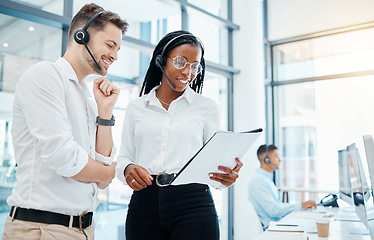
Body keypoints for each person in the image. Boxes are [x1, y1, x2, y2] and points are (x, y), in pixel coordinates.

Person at [2, 4, 128, 240]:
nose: (115, 55)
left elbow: (100, 170)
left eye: (118, 48)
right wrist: (111, 172)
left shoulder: (87, 98)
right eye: (110, 45)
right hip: (41, 228)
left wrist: (105, 113)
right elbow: (65, 157)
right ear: (81, 35)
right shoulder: (45, 75)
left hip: (82, 228)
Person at [115, 30, 243, 240]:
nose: (188, 72)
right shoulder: (136, 107)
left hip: (193, 203)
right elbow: (124, 157)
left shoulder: (207, 108)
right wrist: (128, 168)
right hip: (144, 202)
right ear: (162, 61)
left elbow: (214, 164)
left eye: (194, 65)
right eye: (181, 61)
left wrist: (226, 175)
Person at [248, 144, 317, 230]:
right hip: (272, 227)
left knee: (309, 225)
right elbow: (274, 211)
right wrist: (301, 205)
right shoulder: (259, 181)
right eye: (276, 157)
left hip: (278, 223)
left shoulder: (266, 179)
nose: (280, 160)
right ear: (266, 160)